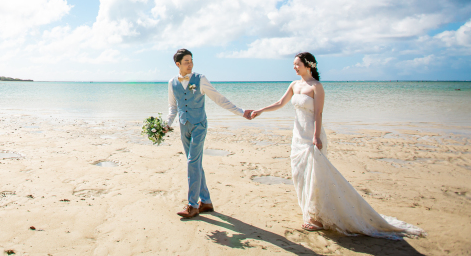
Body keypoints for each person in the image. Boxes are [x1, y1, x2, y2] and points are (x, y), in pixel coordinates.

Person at [251, 52, 425, 238]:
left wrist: (316, 136)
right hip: (298, 136)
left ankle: (317, 219)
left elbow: (318, 113)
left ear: (308, 65)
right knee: (299, 174)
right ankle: (309, 211)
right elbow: (280, 103)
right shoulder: (294, 85)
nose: (294, 67)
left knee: (316, 176)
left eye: (297, 64)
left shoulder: (317, 87)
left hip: (312, 136)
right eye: (293, 64)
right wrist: (260, 110)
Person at [163, 48, 253, 219]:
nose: (190, 64)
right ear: (178, 64)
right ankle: (206, 202)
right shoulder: (172, 83)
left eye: (191, 60)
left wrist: (241, 112)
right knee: (194, 163)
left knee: (192, 162)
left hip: (199, 125)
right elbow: (172, 107)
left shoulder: (200, 79)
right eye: (186, 61)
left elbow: (219, 98)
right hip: (184, 126)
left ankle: (192, 205)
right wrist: (167, 124)